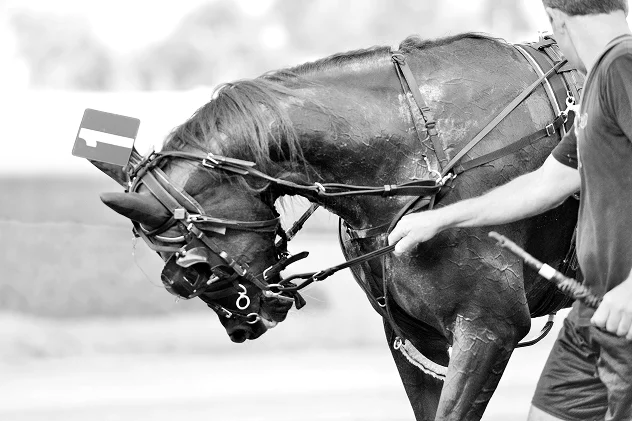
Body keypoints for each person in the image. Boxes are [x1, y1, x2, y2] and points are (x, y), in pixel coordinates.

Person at [387, 1, 632, 419]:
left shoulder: (622, 68)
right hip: (596, 316)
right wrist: (440, 218)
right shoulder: (597, 84)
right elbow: (545, 184)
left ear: (555, 21)